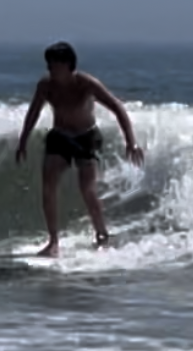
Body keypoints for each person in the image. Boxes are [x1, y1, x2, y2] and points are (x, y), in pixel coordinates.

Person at [15, 42, 144, 255]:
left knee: (87, 189)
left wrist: (131, 142)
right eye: (48, 64)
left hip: (87, 137)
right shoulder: (46, 86)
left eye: (53, 64)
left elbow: (117, 108)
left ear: (67, 64)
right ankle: (53, 241)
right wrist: (22, 142)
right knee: (48, 187)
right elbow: (33, 113)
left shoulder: (87, 84)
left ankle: (102, 235)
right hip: (60, 137)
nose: (49, 68)